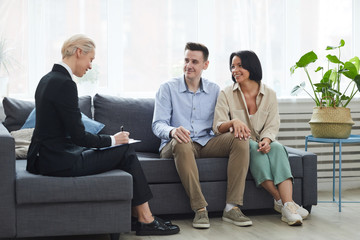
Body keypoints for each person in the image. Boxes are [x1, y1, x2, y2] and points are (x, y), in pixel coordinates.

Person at [26, 34, 179, 236]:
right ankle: (145, 219)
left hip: (42, 158)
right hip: (58, 162)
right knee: (125, 151)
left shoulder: (46, 79)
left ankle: (137, 216)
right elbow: (79, 136)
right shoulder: (65, 84)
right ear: (79, 52)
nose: (90, 66)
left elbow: (60, 131)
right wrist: (113, 140)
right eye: (91, 59)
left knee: (120, 151)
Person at [152, 42, 252, 229]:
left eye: (195, 61)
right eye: (187, 60)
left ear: (205, 65)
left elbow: (219, 124)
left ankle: (232, 207)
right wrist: (173, 131)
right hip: (175, 144)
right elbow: (158, 125)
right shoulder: (167, 88)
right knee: (182, 141)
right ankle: (200, 209)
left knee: (240, 139)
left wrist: (234, 123)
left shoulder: (215, 90)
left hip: (206, 142)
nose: (189, 65)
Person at [213, 50, 309, 226]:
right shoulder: (226, 93)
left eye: (240, 65)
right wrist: (234, 123)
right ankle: (285, 204)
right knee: (252, 148)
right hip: (239, 142)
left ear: (252, 66)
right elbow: (218, 125)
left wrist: (267, 139)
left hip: (262, 140)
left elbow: (273, 123)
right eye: (233, 66)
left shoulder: (270, 94)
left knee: (279, 149)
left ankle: (286, 204)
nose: (235, 70)